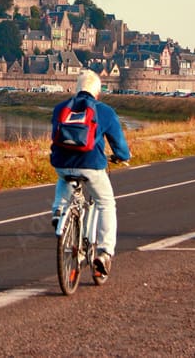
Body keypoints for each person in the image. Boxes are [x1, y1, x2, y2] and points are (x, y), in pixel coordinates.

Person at [50, 69, 131, 279]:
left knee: (64, 177)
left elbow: (55, 135)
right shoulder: (104, 111)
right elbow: (119, 145)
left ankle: (59, 211)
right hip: (90, 165)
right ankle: (105, 253)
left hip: (61, 163)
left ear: (77, 89)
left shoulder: (61, 108)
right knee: (106, 203)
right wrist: (122, 156)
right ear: (97, 92)